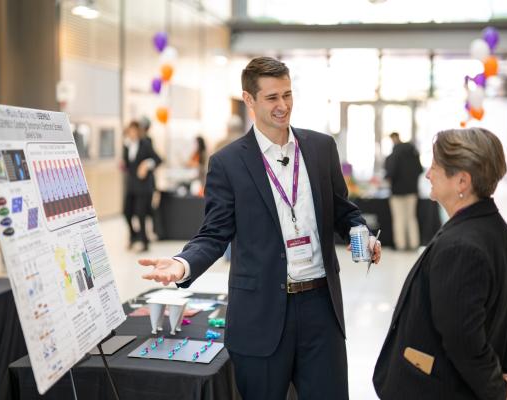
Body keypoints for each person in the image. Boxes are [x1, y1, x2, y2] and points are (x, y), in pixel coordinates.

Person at [139, 56, 382, 400]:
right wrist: (183, 263)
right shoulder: (228, 163)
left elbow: (345, 212)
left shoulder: (320, 148)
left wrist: (362, 235)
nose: (283, 106)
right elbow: (214, 233)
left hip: (321, 309)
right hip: (261, 313)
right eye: (272, 98)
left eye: (287, 95)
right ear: (249, 100)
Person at [373, 128, 507, 400]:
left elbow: (464, 340)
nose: (428, 174)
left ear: (462, 181)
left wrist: (498, 387)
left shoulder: (461, 248)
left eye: (436, 166)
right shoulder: (501, 235)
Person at [122, 121, 162, 252]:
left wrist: (146, 164)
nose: (132, 133)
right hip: (131, 186)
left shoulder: (145, 144)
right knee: (126, 212)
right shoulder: (127, 145)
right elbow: (128, 165)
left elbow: (158, 159)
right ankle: (134, 236)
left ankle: (144, 242)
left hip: (144, 187)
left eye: (134, 130)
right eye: (130, 131)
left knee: (141, 213)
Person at [384, 132, 423, 251]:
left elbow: (390, 174)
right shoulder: (413, 154)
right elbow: (420, 170)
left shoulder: (393, 155)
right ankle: (414, 243)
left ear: (393, 139)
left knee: (399, 218)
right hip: (412, 191)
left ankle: (401, 244)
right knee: (411, 218)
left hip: (397, 192)